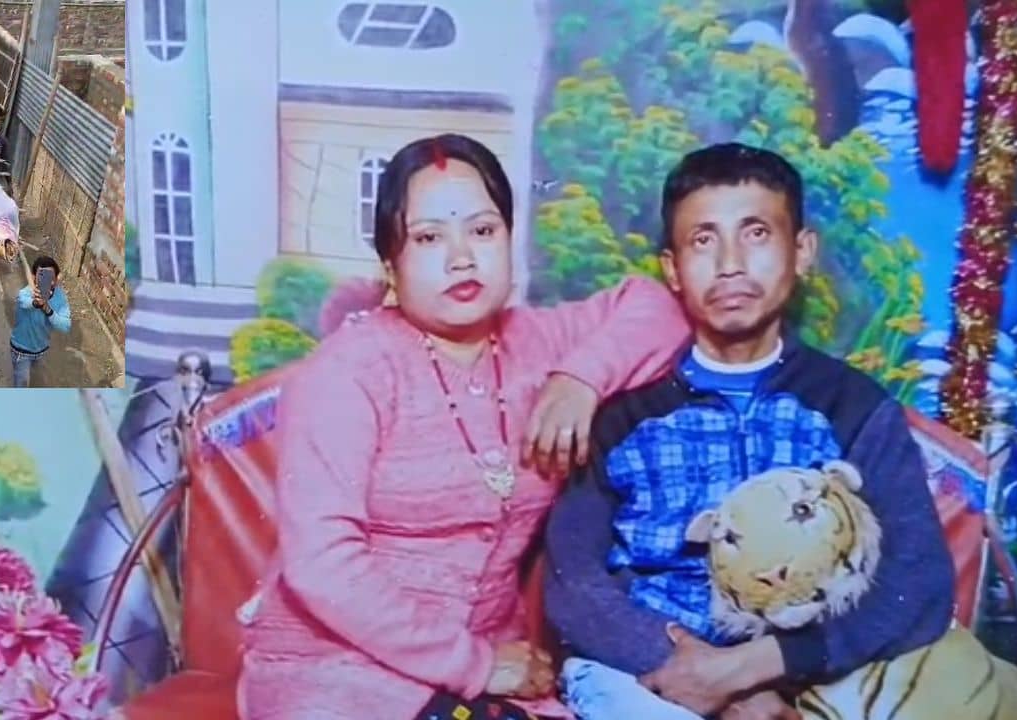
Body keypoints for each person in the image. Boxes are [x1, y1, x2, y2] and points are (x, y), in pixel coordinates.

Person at [236, 133, 690, 720]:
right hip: (334, 669)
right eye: (428, 238)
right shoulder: (347, 372)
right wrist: (475, 664)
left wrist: (581, 378)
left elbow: (660, 307)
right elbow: (322, 566)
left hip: (479, 681)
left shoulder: (538, 340)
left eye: (482, 230)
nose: (462, 258)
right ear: (390, 264)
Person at [543, 144, 956, 720]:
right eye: (703, 240)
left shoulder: (851, 406)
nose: (730, 264)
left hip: (811, 670)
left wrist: (757, 667)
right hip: (651, 674)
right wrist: (696, 675)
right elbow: (572, 583)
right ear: (672, 270)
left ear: (802, 251)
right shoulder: (624, 414)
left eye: (756, 233)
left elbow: (919, 580)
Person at [11, 256, 72, 387]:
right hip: (21, 352)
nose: (47, 281)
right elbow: (23, 302)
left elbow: (66, 326)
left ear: (56, 279)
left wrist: (48, 310)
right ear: (34, 277)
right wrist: (36, 303)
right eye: (42, 275)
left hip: (42, 351)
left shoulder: (60, 297)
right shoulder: (25, 293)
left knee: (39, 381)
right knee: (21, 386)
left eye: (51, 277)